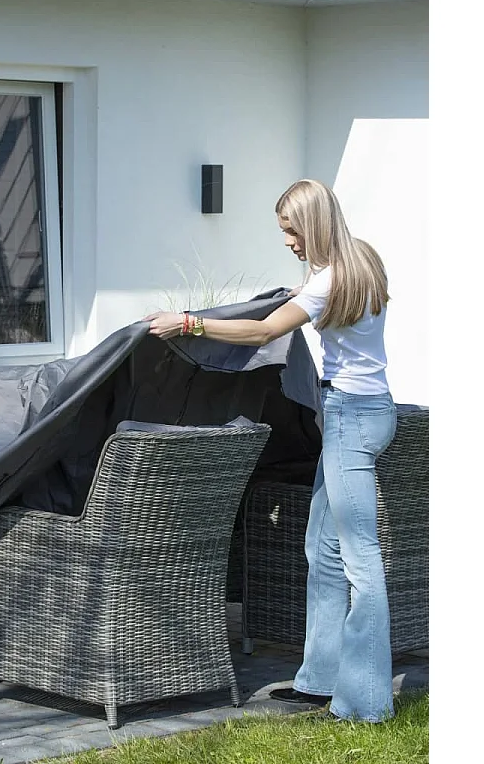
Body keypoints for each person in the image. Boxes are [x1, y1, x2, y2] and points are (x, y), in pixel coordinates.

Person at [143, 178, 397, 723]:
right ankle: (320, 681)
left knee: (360, 560)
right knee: (322, 550)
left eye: (292, 231)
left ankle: (367, 702)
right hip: (370, 411)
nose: (287, 241)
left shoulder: (328, 281)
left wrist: (189, 323)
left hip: (351, 419)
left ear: (314, 225)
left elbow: (262, 333)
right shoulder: (364, 261)